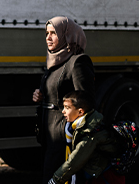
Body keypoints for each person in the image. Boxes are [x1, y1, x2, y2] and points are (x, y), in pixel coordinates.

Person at [33, 16, 95, 184]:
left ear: (67, 35)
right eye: (47, 33)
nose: (48, 37)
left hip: (64, 136)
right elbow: (54, 90)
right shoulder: (54, 61)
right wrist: (40, 95)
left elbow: (86, 100)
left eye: (53, 33)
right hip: (48, 133)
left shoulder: (77, 62)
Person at [48, 90, 124, 184]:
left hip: (105, 177)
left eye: (67, 108)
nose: (63, 111)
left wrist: (55, 180)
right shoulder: (89, 121)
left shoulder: (89, 134)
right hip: (100, 174)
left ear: (80, 112)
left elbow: (75, 161)